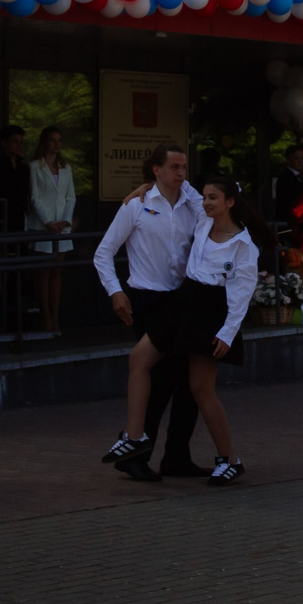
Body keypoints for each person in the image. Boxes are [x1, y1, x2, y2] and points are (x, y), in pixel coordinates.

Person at [95, 145, 206, 481]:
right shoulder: (137, 206)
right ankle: (135, 454)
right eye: (174, 167)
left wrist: (181, 188)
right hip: (149, 301)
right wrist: (115, 291)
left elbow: (212, 207)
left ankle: (176, 456)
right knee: (160, 380)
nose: (181, 173)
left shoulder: (192, 205)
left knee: (192, 382)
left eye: (184, 167)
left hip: (182, 300)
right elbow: (103, 252)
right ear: (156, 169)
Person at [173, 177, 261, 485]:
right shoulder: (202, 221)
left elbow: (241, 294)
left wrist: (227, 333)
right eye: (206, 197)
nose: (207, 202)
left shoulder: (243, 245)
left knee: (201, 387)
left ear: (230, 202)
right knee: (179, 379)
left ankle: (229, 458)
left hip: (213, 312)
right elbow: (181, 186)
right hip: (188, 303)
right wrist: (140, 190)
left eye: (214, 198)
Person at [27, 127, 76, 333]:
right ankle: (45, 318)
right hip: (43, 226)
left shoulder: (66, 168)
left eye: (59, 140)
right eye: (52, 140)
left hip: (61, 228)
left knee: (57, 272)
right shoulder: (34, 167)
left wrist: (65, 220)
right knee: (43, 273)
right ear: (44, 142)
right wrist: (48, 222)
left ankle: (55, 318)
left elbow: (71, 196)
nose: (56, 144)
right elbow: (34, 197)